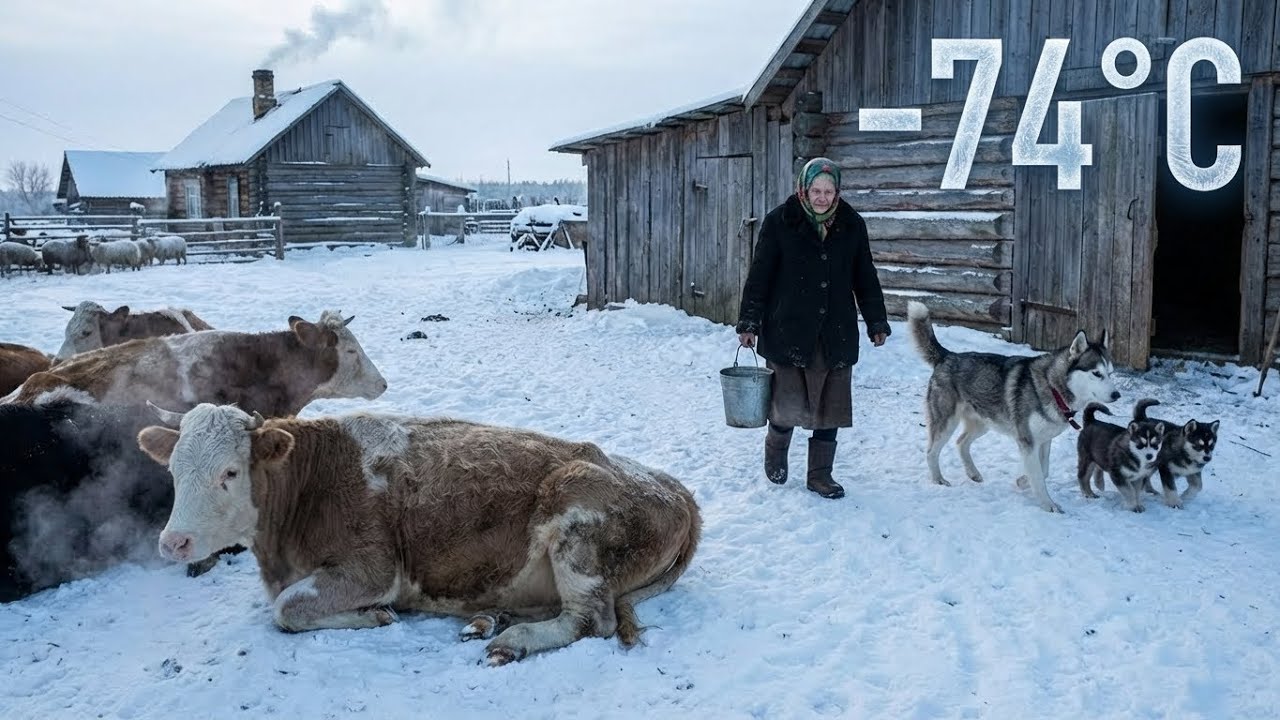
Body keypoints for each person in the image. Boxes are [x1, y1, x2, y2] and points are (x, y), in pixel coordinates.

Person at [735, 157, 890, 499]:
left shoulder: (852, 224)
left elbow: (865, 276)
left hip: (835, 330)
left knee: (830, 405)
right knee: (786, 403)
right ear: (803, 189)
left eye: (828, 191)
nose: (822, 197)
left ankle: (820, 475)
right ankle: (775, 451)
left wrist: (876, 320)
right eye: (816, 190)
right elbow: (760, 276)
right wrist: (749, 320)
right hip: (787, 328)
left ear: (837, 191)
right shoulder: (780, 222)